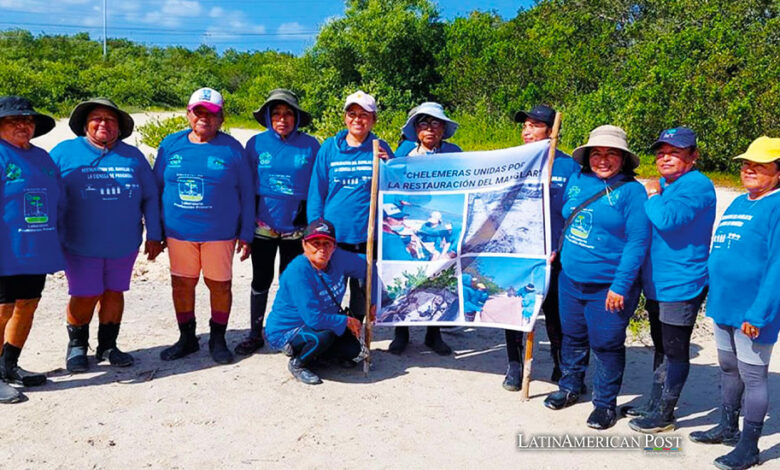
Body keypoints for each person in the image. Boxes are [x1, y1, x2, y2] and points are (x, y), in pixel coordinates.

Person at [543, 125, 650, 430]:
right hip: (570, 277)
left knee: (606, 344)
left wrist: (620, 286)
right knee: (572, 336)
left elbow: (637, 243)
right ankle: (569, 387)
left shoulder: (631, 192)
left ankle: (605, 404)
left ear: (623, 159)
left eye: (611, 154)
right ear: (588, 157)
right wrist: (555, 249)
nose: (603, 160)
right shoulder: (577, 180)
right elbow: (563, 217)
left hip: (608, 286)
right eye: (597, 153)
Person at [51, 98, 164, 373]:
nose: (104, 124)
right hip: (79, 243)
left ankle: (108, 345)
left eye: (110, 120)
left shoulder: (132, 156)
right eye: (97, 118)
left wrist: (154, 234)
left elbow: (150, 197)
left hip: (124, 243)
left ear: (119, 126)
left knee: (115, 291)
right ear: (85, 124)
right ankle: (77, 346)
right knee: (85, 292)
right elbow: (47, 194)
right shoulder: (63, 152)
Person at [689, 137, 780, 470]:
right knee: (728, 366)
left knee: (753, 376)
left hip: (753, 310)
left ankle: (749, 447)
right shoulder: (742, 201)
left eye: (760, 165)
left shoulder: (777, 205)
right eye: (746, 163)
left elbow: (777, 266)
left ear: (778, 171)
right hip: (724, 303)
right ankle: (727, 427)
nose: (749, 169)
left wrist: (759, 312)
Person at [153, 87, 254, 365]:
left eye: (211, 114)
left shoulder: (232, 148)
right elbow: (155, 189)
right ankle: (186, 338)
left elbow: (247, 193)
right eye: (198, 112)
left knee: (219, 286)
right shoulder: (170, 145)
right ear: (188, 113)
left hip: (220, 233)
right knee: (182, 285)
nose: (204, 118)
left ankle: (218, 339)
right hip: (179, 232)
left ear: (221, 118)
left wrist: (246, 233)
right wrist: (154, 231)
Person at [625, 127, 716, 433]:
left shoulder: (697, 186)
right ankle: (654, 402)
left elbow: (667, 220)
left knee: (675, 349)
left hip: (682, 283)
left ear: (693, 157)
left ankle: (665, 414)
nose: (665, 158)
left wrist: (652, 193)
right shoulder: (666, 184)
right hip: (657, 282)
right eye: (661, 152)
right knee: (661, 346)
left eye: (674, 153)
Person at [234, 89, 320, 356]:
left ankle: (290, 332)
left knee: (291, 280)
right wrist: (245, 233)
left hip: (297, 230)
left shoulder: (311, 145)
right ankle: (254, 333)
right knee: (261, 279)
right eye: (277, 114)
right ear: (269, 117)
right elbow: (247, 192)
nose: (282, 119)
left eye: (288, 114)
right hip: (263, 227)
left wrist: (314, 227)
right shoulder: (256, 144)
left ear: (296, 118)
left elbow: (319, 187)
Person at [503, 104, 580, 391]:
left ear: (550, 131)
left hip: (553, 253)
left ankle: (561, 364)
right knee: (514, 310)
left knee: (556, 316)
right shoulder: (510, 162)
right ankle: (514, 366)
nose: (526, 130)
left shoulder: (568, 167)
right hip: (517, 253)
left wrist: (559, 246)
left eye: (534, 125)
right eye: (524, 125)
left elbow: (573, 213)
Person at [307, 90, 393, 323]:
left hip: (367, 236)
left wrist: (389, 165)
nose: (357, 119)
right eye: (352, 114)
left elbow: (393, 190)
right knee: (329, 289)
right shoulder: (329, 148)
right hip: (333, 236)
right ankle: (330, 336)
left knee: (362, 291)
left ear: (373, 119)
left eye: (364, 115)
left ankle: (356, 338)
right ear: (345, 118)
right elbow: (317, 192)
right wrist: (315, 232)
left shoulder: (379, 147)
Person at [0, 96, 63, 403]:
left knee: (28, 304)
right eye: (14, 121)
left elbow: (58, 200)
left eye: (27, 120)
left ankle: (9, 366)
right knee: (2, 310)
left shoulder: (43, 157)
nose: (23, 125)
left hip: (36, 247)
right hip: (5, 249)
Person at [389, 102, 461, 356]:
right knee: (408, 274)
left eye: (436, 124)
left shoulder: (455, 153)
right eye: (424, 124)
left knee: (439, 276)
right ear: (415, 130)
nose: (430, 129)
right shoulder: (404, 153)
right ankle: (402, 331)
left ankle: (434, 333)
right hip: (412, 223)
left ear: (443, 129)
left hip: (441, 223)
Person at [265, 219, 366, 385]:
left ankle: (317, 355)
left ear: (334, 246)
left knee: (353, 351)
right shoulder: (298, 271)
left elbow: (370, 266)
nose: (322, 248)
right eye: (315, 243)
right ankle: (298, 364)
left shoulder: (338, 257)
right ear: (304, 245)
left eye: (327, 243)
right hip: (289, 329)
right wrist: (347, 320)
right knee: (322, 337)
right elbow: (314, 319)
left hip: (321, 321)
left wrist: (375, 300)